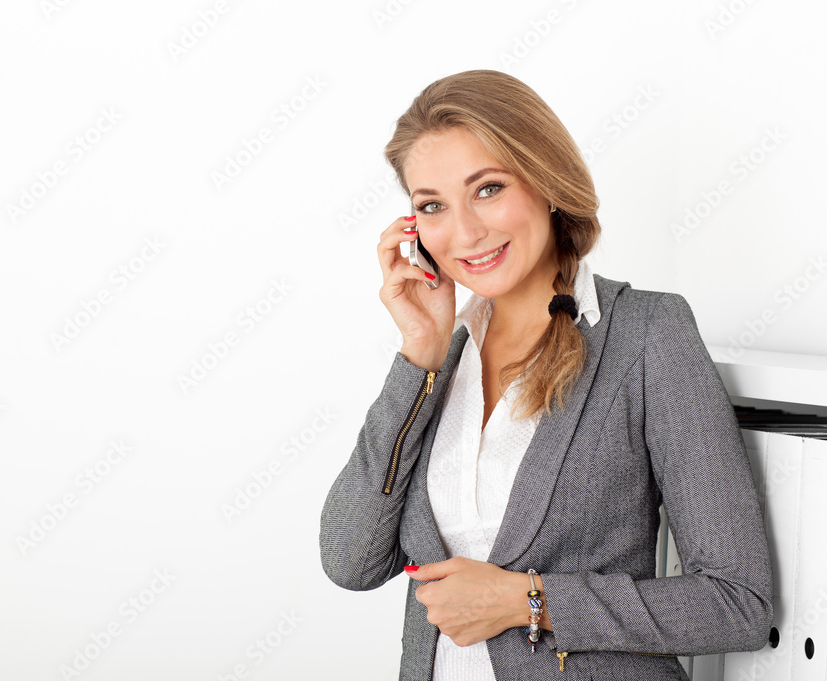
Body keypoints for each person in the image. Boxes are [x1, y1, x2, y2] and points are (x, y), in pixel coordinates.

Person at [318, 70, 773, 681]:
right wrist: (418, 353)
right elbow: (351, 560)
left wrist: (527, 601)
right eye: (432, 206)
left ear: (546, 180)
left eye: (488, 189)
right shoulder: (442, 359)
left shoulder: (645, 335)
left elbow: (736, 603)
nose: (465, 232)